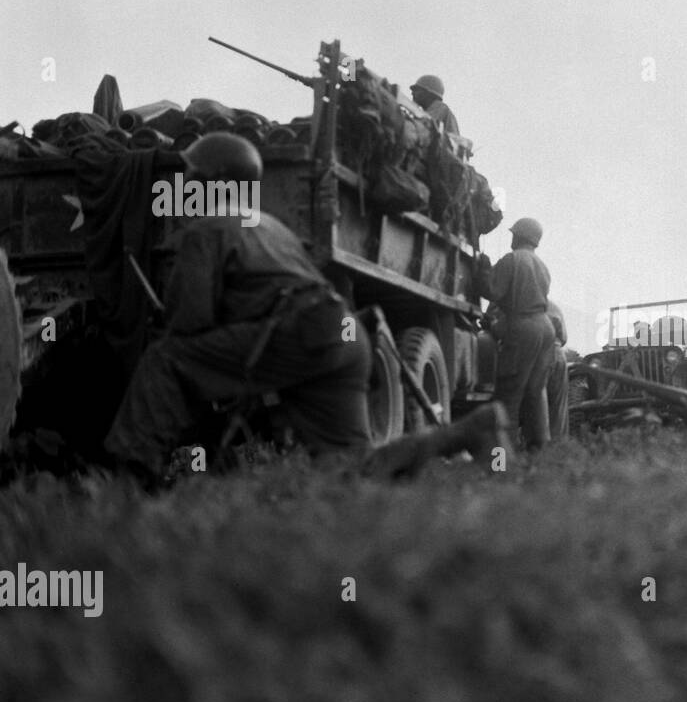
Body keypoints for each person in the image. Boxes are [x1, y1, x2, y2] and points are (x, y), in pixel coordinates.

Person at [104, 133, 508, 484]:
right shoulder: (271, 226)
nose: (188, 180)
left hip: (299, 336)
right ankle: (468, 431)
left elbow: (190, 324)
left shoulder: (205, 230)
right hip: (342, 335)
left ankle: (126, 478)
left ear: (216, 181)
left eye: (195, 173)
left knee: (166, 359)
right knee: (348, 469)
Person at [482, 216, 555, 451]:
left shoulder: (512, 260)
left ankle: (500, 464)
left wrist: (483, 269)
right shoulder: (542, 266)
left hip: (523, 327)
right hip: (545, 329)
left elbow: (492, 290)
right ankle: (539, 456)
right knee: (536, 393)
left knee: (506, 400)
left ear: (518, 236)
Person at [545, 300, 569, 441]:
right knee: (558, 408)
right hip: (557, 353)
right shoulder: (555, 307)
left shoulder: (515, 302)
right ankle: (558, 450)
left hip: (534, 352)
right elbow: (564, 337)